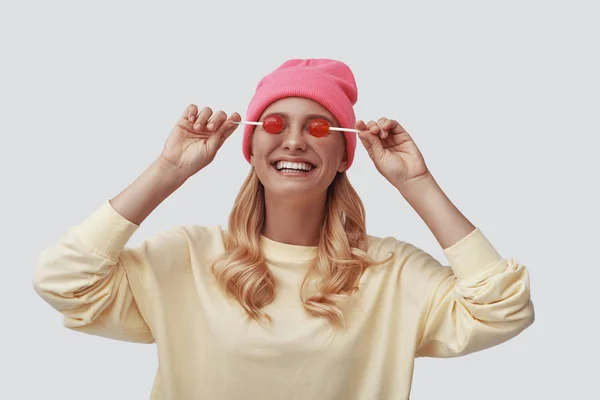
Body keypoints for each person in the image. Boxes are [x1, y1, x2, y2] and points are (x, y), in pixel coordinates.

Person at [33, 59, 535, 400]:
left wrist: (417, 183)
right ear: (250, 149)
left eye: (318, 128)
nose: (294, 142)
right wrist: (169, 169)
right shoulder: (186, 257)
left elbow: (504, 310)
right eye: (274, 126)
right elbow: (63, 281)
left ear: (344, 155)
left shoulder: (392, 273)